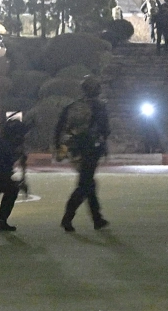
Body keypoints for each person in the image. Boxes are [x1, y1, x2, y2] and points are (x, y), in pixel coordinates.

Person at [54, 75, 111, 232]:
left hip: (74, 149)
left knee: (89, 183)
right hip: (91, 149)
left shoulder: (73, 106)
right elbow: (105, 130)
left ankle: (97, 219)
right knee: (85, 184)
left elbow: (59, 128)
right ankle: (68, 217)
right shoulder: (99, 107)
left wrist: (60, 147)